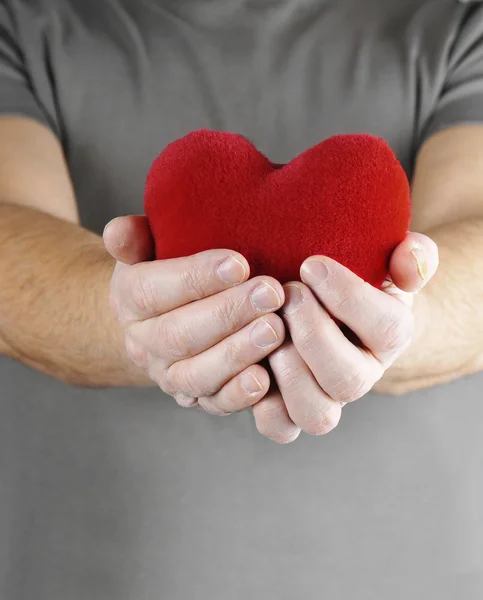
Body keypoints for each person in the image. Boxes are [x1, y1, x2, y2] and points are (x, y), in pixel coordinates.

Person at [1, 0, 482, 597]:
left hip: (417, 574)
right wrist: (141, 321)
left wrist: (391, 326)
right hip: (86, 572)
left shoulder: (457, 18)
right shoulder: (24, 19)